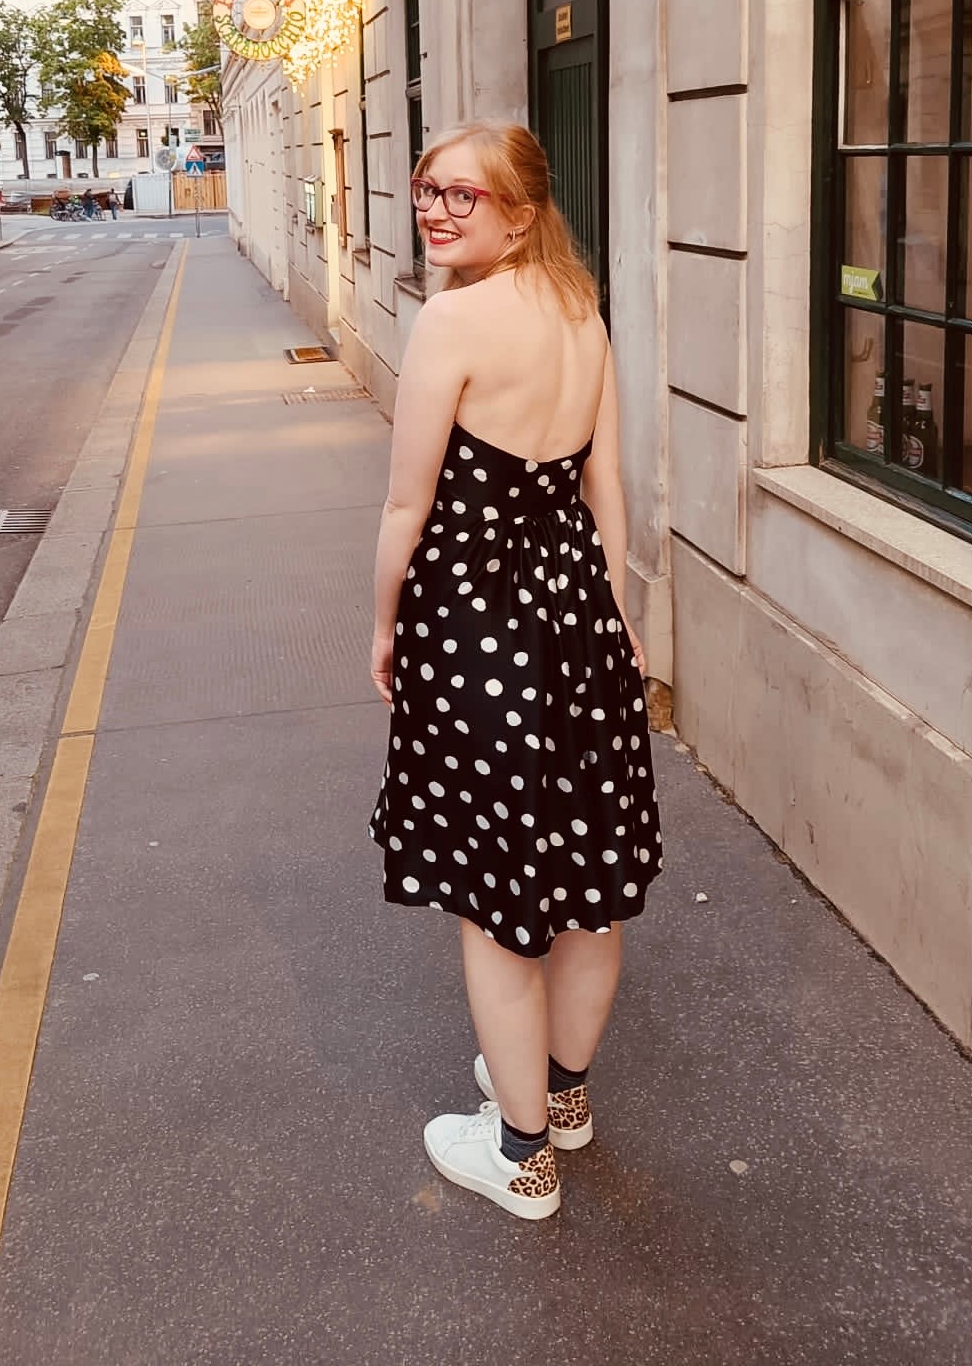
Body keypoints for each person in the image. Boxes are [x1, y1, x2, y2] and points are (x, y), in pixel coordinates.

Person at [369, 120, 662, 1220]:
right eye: (427, 188)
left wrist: (384, 625)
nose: (435, 210)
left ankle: (522, 1155)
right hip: (578, 621)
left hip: (474, 627)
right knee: (587, 879)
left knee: (495, 903)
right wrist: (618, 615)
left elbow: (407, 505)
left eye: (464, 195)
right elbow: (606, 486)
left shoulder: (452, 320)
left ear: (523, 214)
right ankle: (564, 1100)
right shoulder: (583, 313)